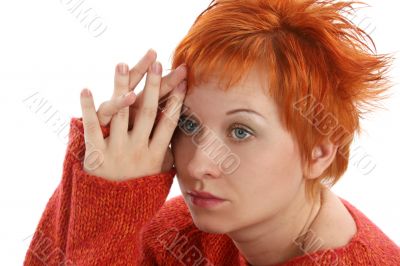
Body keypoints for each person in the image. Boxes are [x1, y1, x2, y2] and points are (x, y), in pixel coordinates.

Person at [24, 0, 400, 265]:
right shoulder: (176, 235)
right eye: (187, 124)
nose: (200, 164)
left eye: (241, 131)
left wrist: (111, 207)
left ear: (319, 153)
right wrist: (101, 173)